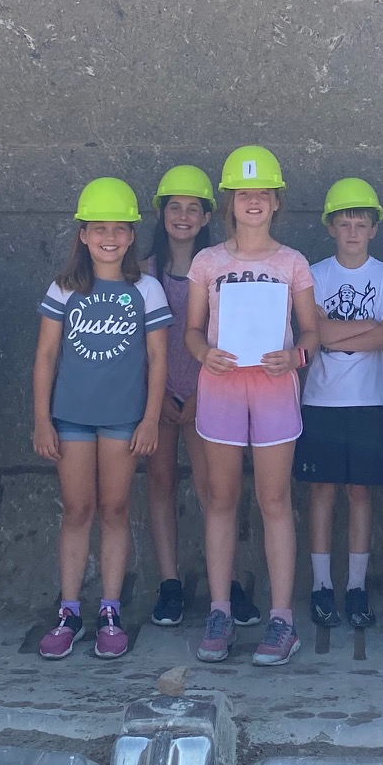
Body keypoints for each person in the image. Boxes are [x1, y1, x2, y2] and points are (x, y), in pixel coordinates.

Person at [185, 146, 321, 666]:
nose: (254, 202)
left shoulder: (292, 263)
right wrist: (204, 354)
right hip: (220, 386)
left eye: (263, 194)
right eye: (244, 194)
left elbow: (310, 331)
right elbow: (193, 331)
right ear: (230, 202)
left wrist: (294, 356)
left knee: (273, 500)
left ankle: (282, 618)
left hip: (272, 388)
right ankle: (219, 609)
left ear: (277, 202)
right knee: (220, 499)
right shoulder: (208, 261)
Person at [32, 179, 170, 661]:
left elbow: (158, 359)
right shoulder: (65, 288)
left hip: (123, 421)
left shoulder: (146, 289)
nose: (109, 237)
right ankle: (69, 610)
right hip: (70, 418)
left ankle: (110, 609)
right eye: (98, 228)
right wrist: (41, 421)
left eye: (119, 228)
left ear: (131, 236)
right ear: (83, 235)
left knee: (114, 510)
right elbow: (46, 357)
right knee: (76, 510)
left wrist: (151, 419)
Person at [295, 178, 383, 630]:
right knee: (321, 492)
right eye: (345, 223)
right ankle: (322, 586)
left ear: (374, 229)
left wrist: (331, 329)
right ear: (330, 228)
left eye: (361, 223)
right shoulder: (314, 274)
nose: (353, 231)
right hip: (320, 400)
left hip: (371, 399)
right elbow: (310, 336)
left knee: (361, 494)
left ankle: (356, 588)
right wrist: (361, 330)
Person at [144, 164, 218, 627]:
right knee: (160, 486)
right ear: (162, 213)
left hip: (208, 396)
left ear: (207, 218)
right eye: (175, 207)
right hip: (156, 398)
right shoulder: (143, 270)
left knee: (215, 492)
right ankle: (169, 583)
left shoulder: (218, 270)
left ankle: (221, 582)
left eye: (194, 208)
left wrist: (197, 395)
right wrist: (158, 401)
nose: (184, 216)